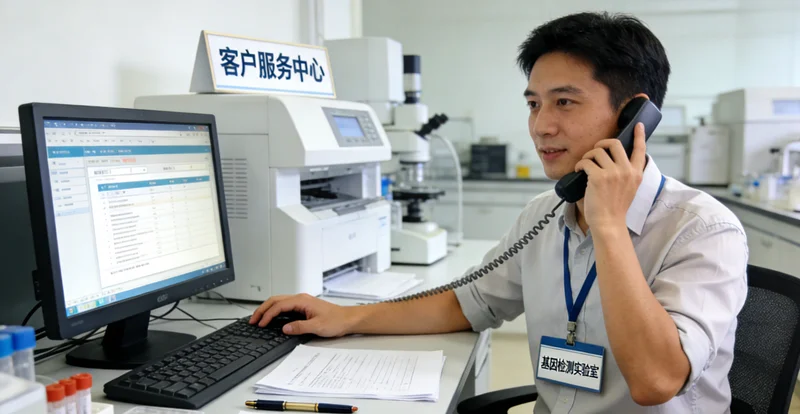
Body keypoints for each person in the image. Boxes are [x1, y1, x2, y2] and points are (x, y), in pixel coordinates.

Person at [250, 11, 748, 413]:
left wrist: (609, 226)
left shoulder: (702, 230)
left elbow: (656, 380)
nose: (541, 126)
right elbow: (467, 303)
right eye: (534, 104)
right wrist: (348, 317)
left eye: (565, 103)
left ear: (632, 118)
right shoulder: (544, 214)